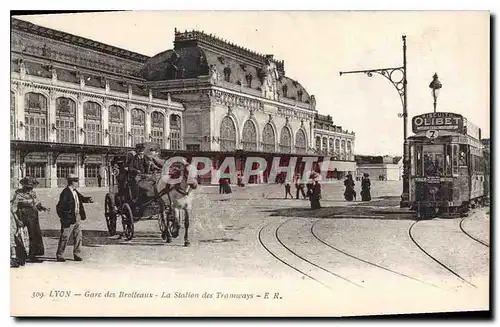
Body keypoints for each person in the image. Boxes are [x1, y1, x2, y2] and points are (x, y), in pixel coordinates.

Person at [10, 176, 49, 263]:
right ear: (24, 186)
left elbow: (36, 203)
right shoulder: (18, 194)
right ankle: (21, 255)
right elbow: (13, 209)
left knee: (35, 235)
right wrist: (18, 220)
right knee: (22, 236)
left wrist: (41, 207)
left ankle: (33, 255)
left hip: (33, 216)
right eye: (28, 187)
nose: (29, 189)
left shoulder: (33, 193)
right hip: (23, 217)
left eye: (31, 187)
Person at [55, 174, 93, 262]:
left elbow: (81, 198)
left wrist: (88, 200)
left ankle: (77, 254)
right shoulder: (65, 193)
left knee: (78, 236)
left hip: (77, 217)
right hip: (69, 219)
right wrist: (64, 218)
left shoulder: (75, 191)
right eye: (76, 181)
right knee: (65, 237)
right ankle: (60, 255)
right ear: (72, 182)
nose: (78, 183)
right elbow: (59, 207)